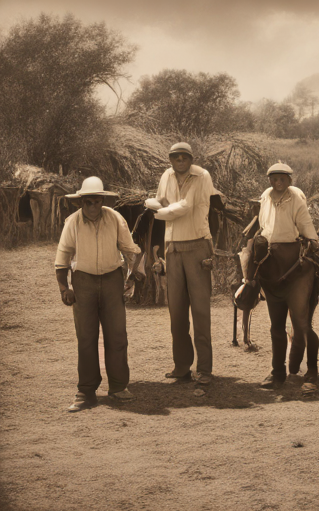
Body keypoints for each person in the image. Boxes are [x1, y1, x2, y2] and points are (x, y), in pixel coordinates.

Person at [55, 176, 141, 412]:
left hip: (113, 279)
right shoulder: (72, 222)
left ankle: (118, 387)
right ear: (81, 202)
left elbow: (131, 249)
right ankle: (86, 390)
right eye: (88, 202)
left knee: (117, 336)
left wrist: (132, 276)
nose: (93, 206)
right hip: (83, 282)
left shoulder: (115, 218)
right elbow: (62, 259)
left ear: (103, 201)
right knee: (86, 337)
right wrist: (65, 288)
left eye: (97, 201)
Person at [145, 142, 215, 386]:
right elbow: (158, 200)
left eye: (185, 156)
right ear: (170, 159)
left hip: (197, 246)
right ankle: (182, 367)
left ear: (191, 159)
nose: (180, 160)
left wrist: (159, 210)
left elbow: (184, 207)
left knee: (200, 312)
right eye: (176, 157)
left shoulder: (202, 176)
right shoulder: (166, 175)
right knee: (176, 312)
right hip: (172, 247)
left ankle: (204, 369)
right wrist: (157, 207)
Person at [257, 162, 319, 388]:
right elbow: (263, 225)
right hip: (271, 262)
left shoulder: (296, 199)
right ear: (269, 180)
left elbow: (305, 225)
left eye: (283, 178)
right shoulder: (265, 196)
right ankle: (277, 373)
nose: (278, 182)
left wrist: (312, 240)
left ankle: (311, 370)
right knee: (276, 325)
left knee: (302, 324)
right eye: (274, 178)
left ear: (289, 179)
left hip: (294, 264)